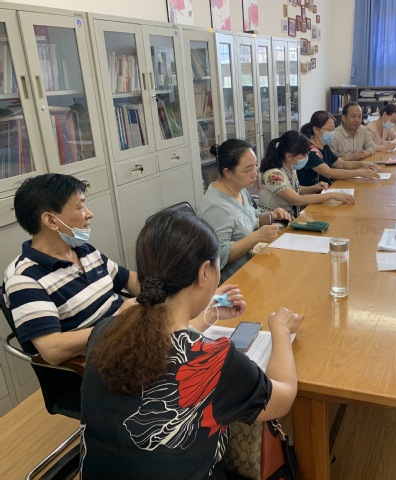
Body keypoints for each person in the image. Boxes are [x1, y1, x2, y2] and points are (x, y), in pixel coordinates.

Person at [80, 206, 304, 479]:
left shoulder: (104, 331)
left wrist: (207, 315)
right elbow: (281, 400)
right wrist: (280, 331)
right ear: (205, 272)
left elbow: (165, 343)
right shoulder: (214, 359)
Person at [2, 174, 140, 365]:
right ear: (51, 221)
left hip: (132, 337)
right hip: (105, 362)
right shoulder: (24, 279)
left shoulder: (84, 250)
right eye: (80, 207)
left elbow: (128, 279)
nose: (89, 214)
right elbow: (53, 349)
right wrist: (118, 321)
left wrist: (162, 287)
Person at [198, 139, 291, 283]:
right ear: (228, 173)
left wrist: (271, 216)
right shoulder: (216, 207)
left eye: (256, 166)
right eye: (248, 170)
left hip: (253, 265)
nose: (255, 174)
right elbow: (218, 256)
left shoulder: (239, 190)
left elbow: (251, 216)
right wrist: (256, 237)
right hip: (235, 279)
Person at [257, 130, 356, 216]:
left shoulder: (290, 166)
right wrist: (331, 195)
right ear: (289, 156)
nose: (306, 158)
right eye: (303, 155)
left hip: (286, 216)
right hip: (273, 221)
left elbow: (293, 189)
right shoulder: (273, 175)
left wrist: (313, 188)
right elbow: (297, 200)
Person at [298, 110, 380, 187]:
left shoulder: (324, 146)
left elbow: (342, 164)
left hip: (326, 190)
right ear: (316, 130)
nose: (331, 133)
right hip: (313, 194)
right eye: (328, 129)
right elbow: (329, 172)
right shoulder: (310, 151)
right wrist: (359, 173)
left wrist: (362, 164)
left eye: (333, 129)